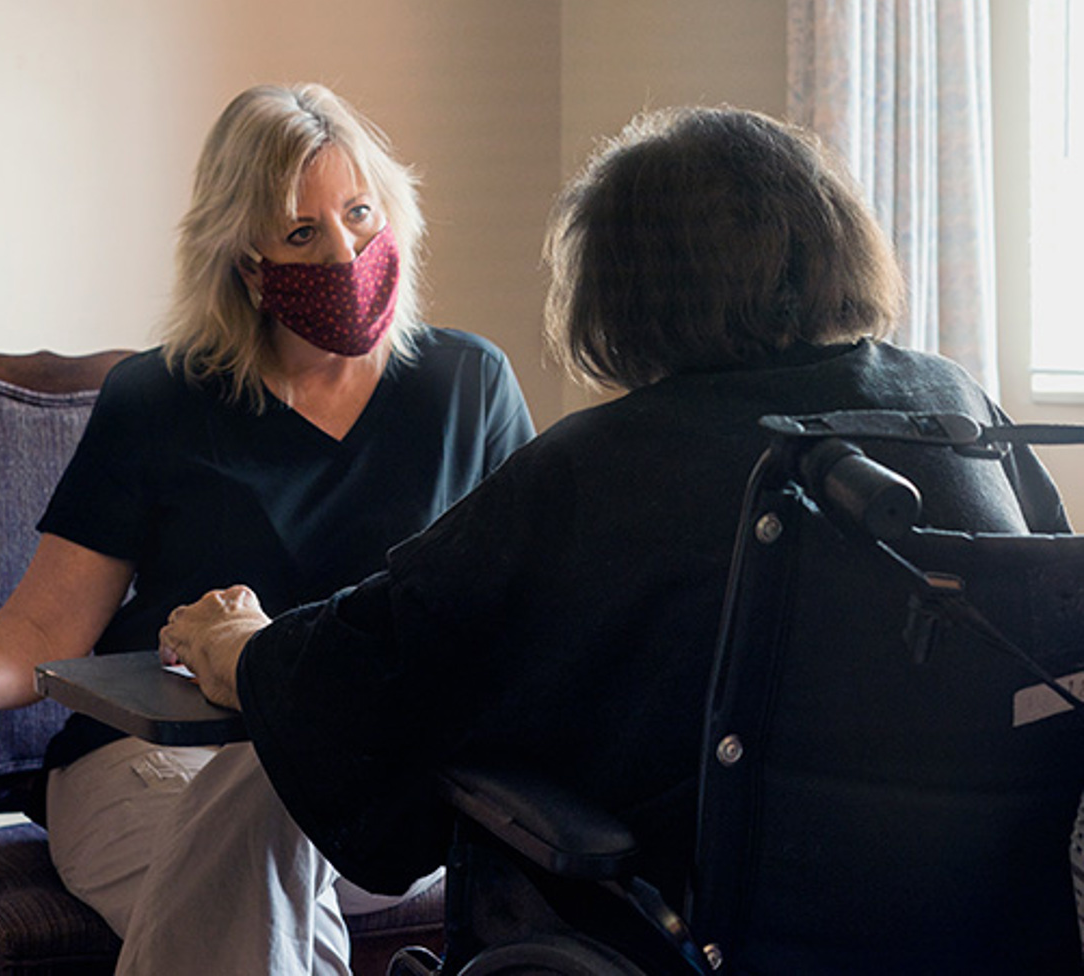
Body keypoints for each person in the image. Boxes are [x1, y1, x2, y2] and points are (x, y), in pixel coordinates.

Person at [160, 106, 1078, 972]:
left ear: (619, 287)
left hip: (686, 929)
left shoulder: (604, 461)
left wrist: (248, 650)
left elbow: (385, 660)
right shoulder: (957, 410)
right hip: (986, 928)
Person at [0, 83, 535, 974]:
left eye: (358, 214)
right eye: (302, 233)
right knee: (250, 847)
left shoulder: (468, 387)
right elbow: (47, 627)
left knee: (266, 839)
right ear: (244, 260)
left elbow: (522, 619)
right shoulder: (158, 398)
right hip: (146, 769)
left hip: (373, 791)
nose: (345, 252)